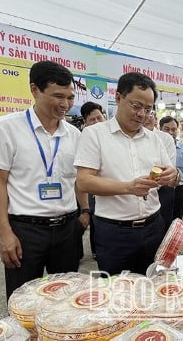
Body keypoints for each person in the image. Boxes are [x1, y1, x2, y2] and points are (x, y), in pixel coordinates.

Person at [0, 61, 89, 300]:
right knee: (23, 300)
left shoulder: (74, 135)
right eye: (58, 96)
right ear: (34, 90)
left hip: (68, 229)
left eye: (70, 97)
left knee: (67, 300)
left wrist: (86, 212)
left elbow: (78, 180)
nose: (65, 104)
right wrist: (5, 234)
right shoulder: (5, 128)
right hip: (25, 230)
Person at [75, 72, 178, 276]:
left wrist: (172, 176)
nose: (142, 114)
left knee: (152, 286)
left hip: (153, 226)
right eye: (136, 106)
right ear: (119, 98)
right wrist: (128, 188)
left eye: (148, 109)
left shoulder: (154, 139)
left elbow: (172, 179)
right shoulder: (94, 134)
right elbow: (84, 181)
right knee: (116, 291)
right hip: (114, 232)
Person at [78, 101, 107, 260]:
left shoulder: (110, 138)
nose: (96, 123)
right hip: (86, 190)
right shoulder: (82, 139)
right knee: (91, 219)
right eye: (92, 120)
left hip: (106, 189)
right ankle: (92, 250)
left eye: (99, 118)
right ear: (85, 123)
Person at [143, 111, 177, 227]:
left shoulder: (165, 138)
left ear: (155, 118)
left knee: (164, 225)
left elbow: (168, 169)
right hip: (137, 190)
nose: (147, 117)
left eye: (149, 113)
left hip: (163, 189)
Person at [159, 116, 183, 224]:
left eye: (174, 129)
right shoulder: (156, 147)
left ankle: (175, 241)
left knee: (177, 219)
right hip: (162, 189)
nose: (171, 132)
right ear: (160, 129)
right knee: (162, 219)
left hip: (179, 189)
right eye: (167, 129)